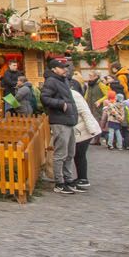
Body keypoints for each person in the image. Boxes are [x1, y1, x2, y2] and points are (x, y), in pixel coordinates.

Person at [42, 57, 82, 194]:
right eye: (62, 67)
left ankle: (68, 179)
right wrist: (61, 104)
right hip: (59, 120)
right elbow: (45, 98)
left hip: (69, 120)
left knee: (70, 153)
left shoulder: (63, 80)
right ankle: (59, 182)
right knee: (61, 153)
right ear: (54, 69)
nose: (65, 69)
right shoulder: (51, 81)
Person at [72, 83, 100, 187]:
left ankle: (83, 179)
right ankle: (81, 178)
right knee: (78, 155)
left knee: (80, 154)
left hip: (85, 130)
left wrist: (91, 130)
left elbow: (85, 113)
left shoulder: (74, 96)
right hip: (80, 130)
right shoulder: (71, 95)